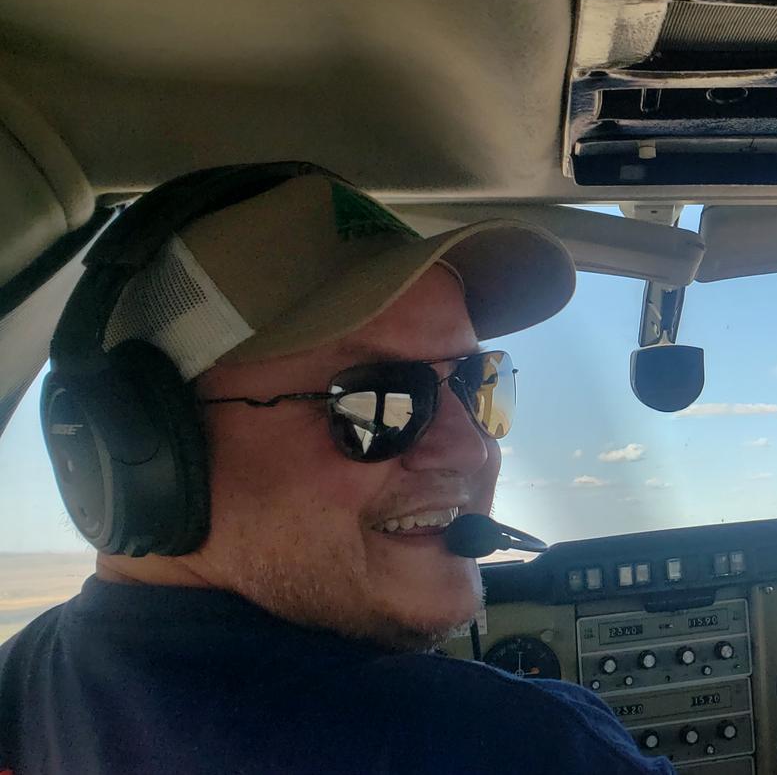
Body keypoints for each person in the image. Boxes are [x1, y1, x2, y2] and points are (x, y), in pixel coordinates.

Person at [0, 164, 674, 774]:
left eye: (474, 384)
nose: (469, 449)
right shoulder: (508, 745)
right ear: (144, 448)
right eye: (376, 401)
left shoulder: (21, 686)